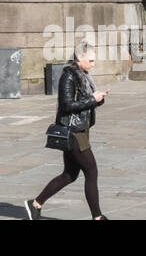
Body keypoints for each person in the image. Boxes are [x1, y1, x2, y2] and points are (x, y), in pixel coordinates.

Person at [24, 41, 107, 220]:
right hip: (74, 132)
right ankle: (97, 217)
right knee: (91, 171)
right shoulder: (69, 76)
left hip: (81, 129)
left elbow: (84, 102)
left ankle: (35, 204)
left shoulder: (83, 75)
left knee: (70, 174)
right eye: (91, 61)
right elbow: (67, 105)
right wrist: (92, 100)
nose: (94, 64)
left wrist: (98, 99)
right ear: (80, 58)